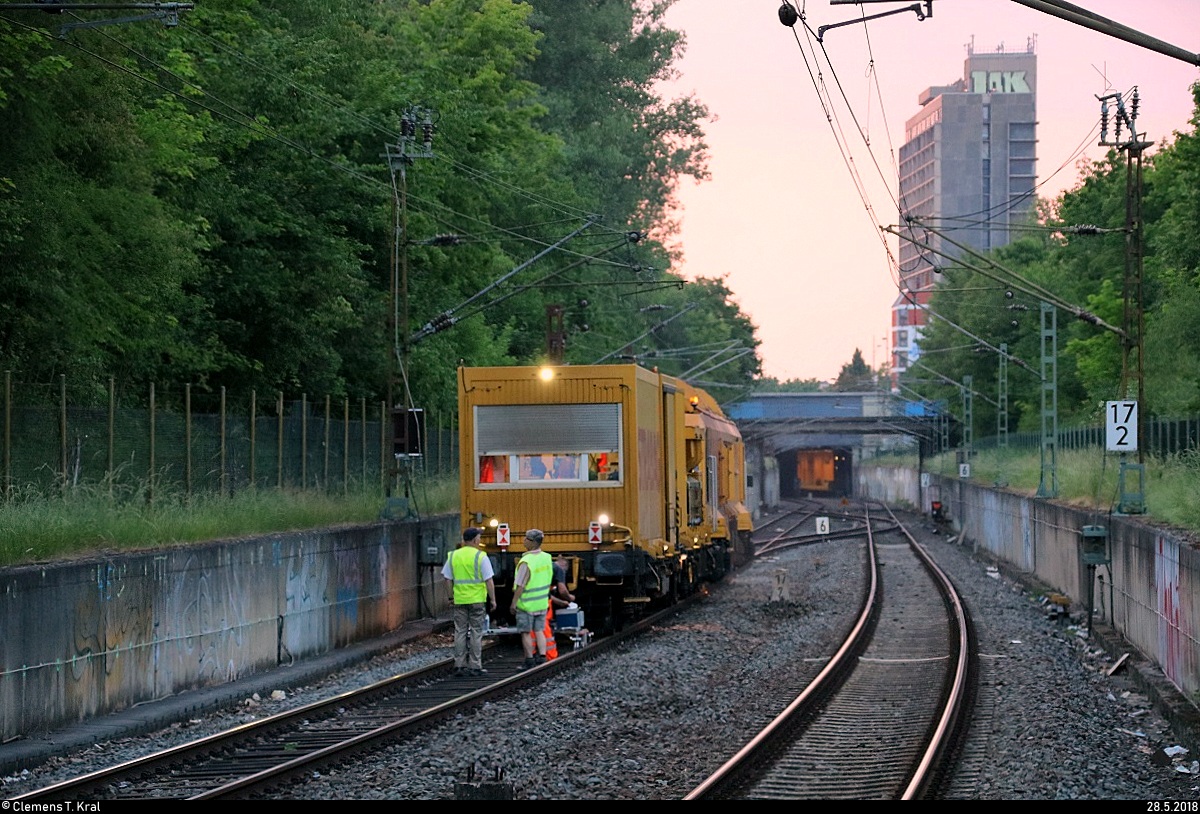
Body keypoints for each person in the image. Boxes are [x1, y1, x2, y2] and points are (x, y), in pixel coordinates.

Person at [442, 527, 496, 676]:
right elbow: (489, 581)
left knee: (460, 631)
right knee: (476, 632)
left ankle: (459, 665)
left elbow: (447, 579)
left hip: (459, 600)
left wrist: (450, 597)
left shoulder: (453, 555)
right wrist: (493, 599)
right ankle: (475, 666)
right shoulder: (481, 556)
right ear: (475, 540)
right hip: (477, 601)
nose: (480, 540)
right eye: (479, 538)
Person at [509, 528, 553, 669]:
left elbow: (520, 585)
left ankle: (529, 660)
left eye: (526, 538)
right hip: (541, 603)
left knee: (526, 632)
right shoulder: (546, 557)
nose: (524, 540)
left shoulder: (526, 562)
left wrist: (514, 603)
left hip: (527, 604)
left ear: (532, 542)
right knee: (539, 630)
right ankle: (542, 657)